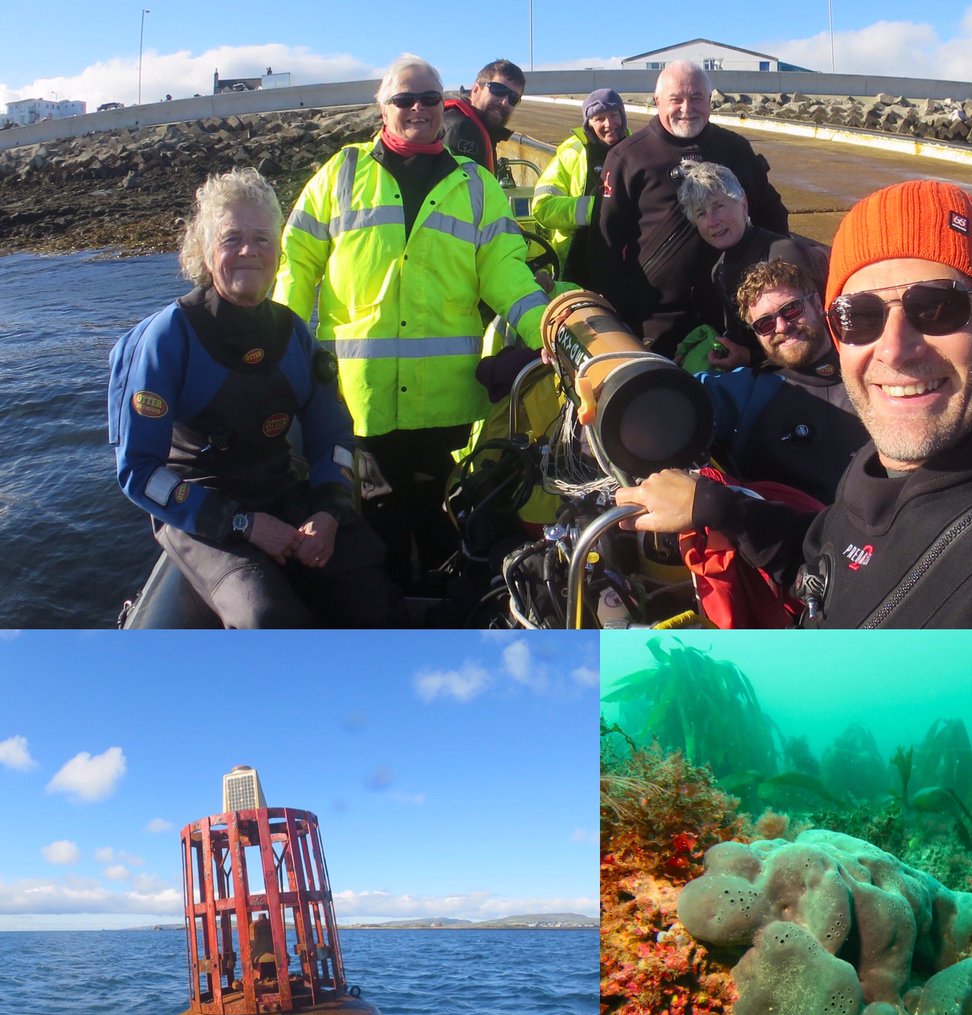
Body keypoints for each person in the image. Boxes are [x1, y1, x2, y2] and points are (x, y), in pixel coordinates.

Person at [616, 178, 972, 627]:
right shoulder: (870, 478)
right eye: (861, 315)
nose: (895, 348)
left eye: (937, 308)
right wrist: (724, 509)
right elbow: (828, 568)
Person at [273, 54, 546, 584]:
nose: (417, 108)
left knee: (444, 525)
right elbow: (296, 262)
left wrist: (549, 330)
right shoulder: (341, 173)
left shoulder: (476, 186)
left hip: (444, 403)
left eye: (427, 99)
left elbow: (508, 275)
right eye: (404, 99)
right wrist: (279, 348)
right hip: (358, 399)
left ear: (443, 106)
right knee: (379, 528)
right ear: (383, 107)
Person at [108, 167, 403, 628]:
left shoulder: (292, 335)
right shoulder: (169, 338)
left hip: (279, 490)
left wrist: (328, 512)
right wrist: (240, 524)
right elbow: (139, 472)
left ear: (279, 250)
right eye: (231, 239)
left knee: (373, 596)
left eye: (262, 238)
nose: (249, 250)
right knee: (265, 614)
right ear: (205, 252)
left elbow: (334, 441)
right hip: (200, 506)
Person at [589, 60, 789, 357]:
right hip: (656, 326)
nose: (687, 108)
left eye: (696, 98)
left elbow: (771, 218)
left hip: (733, 320)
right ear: (657, 102)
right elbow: (605, 244)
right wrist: (619, 320)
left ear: (709, 101)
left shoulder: (734, 148)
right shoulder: (628, 156)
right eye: (676, 99)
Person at [700, 259, 867, 503]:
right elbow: (677, 396)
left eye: (791, 309)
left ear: (817, 304)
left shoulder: (871, 370)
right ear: (757, 335)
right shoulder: (747, 390)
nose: (781, 326)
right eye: (765, 324)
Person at [676, 160, 829, 369]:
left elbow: (818, 335)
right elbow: (740, 338)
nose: (712, 221)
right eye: (701, 213)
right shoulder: (719, 272)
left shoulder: (784, 253)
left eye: (719, 206)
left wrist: (750, 357)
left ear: (743, 204)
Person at [531, 87, 627, 287]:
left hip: (627, 271)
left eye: (613, 115)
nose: (609, 124)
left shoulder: (638, 151)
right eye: (599, 118)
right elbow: (543, 208)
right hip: (575, 272)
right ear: (588, 123)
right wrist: (598, 210)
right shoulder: (571, 154)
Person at [441, 58, 526, 172]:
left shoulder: (482, 128)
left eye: (513, 98)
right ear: (476, 89)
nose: (504, 102)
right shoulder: (461, 129)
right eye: (498, 90)